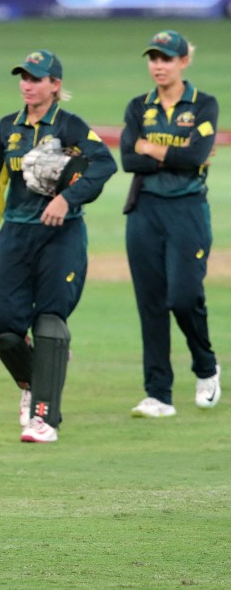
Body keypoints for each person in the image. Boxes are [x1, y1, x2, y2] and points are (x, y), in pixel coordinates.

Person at [0, 50, 115, 443]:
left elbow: (104, 164)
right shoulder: (8, 128)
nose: (27, 84)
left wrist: (67, 199)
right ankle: (34, 376)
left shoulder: (70, 126)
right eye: (23, 77)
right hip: (15, 236)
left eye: (36, 78)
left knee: (50, 320)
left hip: (62, 235)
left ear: (55, 85)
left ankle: (44, 418)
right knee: (2, 327)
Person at [121, 30, 222, 417]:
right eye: (153, 58)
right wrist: (173, 153)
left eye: (166, 58)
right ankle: (159, 394)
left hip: (187, 209)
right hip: (145, 210)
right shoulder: (137, 106)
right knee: (150, 304)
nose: (158, 65)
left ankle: (206, 366)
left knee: (183, 297)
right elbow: (129, 160)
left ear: (184, 62)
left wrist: (152, 147)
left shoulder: (203, 105)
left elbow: (196, 155)